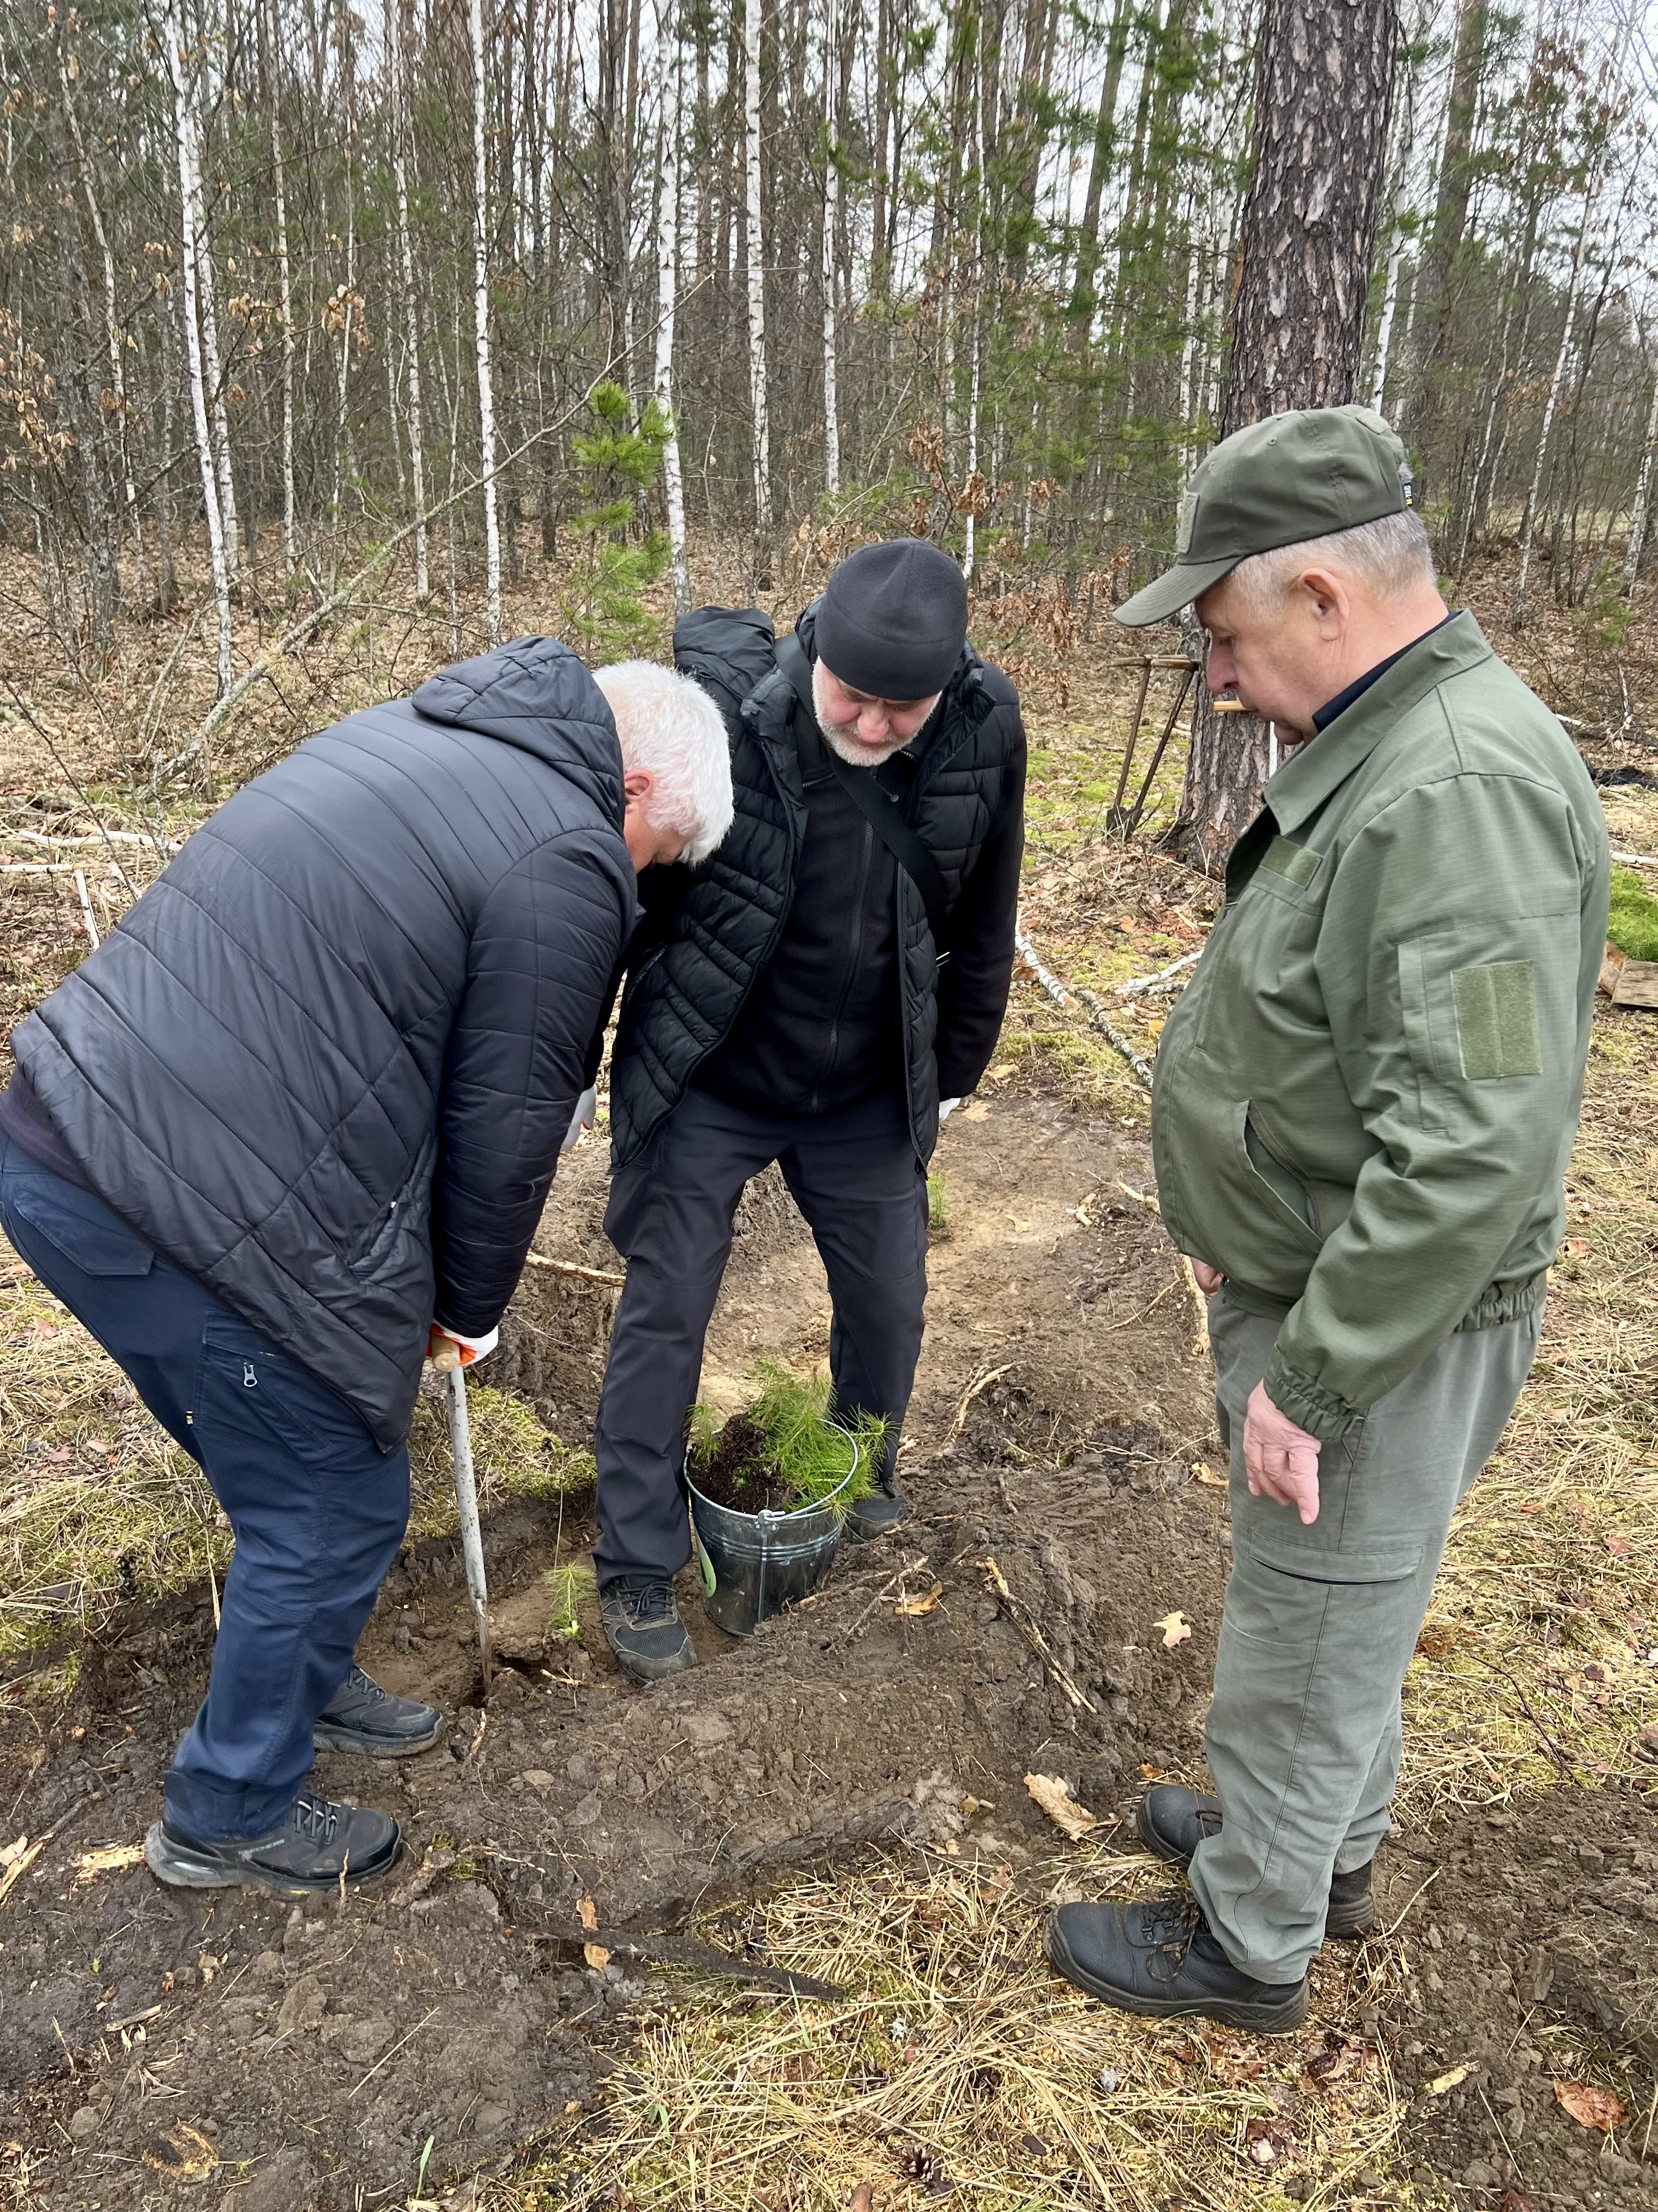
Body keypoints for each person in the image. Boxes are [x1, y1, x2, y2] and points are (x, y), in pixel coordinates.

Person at [0, 642, 731, 1895]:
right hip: (186, 1193)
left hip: (67, 1139)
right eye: (656, 858)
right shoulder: (565, 855)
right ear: (638, 788)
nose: (640, 885)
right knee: (338, 1498)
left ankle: (306, 1676)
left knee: (292, 1469)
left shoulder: (421, 737)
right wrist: (462, 1310)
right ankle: (227, 1810)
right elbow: (507, 1132)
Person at [1048, 405, 1609, 2031]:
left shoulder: (1448, 790)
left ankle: (1251, 1939)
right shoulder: (1397, 748)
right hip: (1339, 1281)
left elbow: (1470, 1148)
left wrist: (1321, 1368)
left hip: (1382, 1320)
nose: (1214, 676)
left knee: (1313, 1617)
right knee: (1347, 1598)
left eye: (1223, 635)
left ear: (1322, 600)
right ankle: (1322, 1848)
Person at [590, 539, 1028, 1682]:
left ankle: (858, 1470)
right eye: (856, 698)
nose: (877, 727)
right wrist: (569, 1060)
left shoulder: (986, 731)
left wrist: (957, 1069)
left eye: (905, 709)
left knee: (889, 1301)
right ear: (813, 650)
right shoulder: (733, 719)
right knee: (667, 1306)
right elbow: (634, 891)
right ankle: (637, 1560)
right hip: (716, 1073)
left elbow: (985, 913)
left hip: (869, 1090)